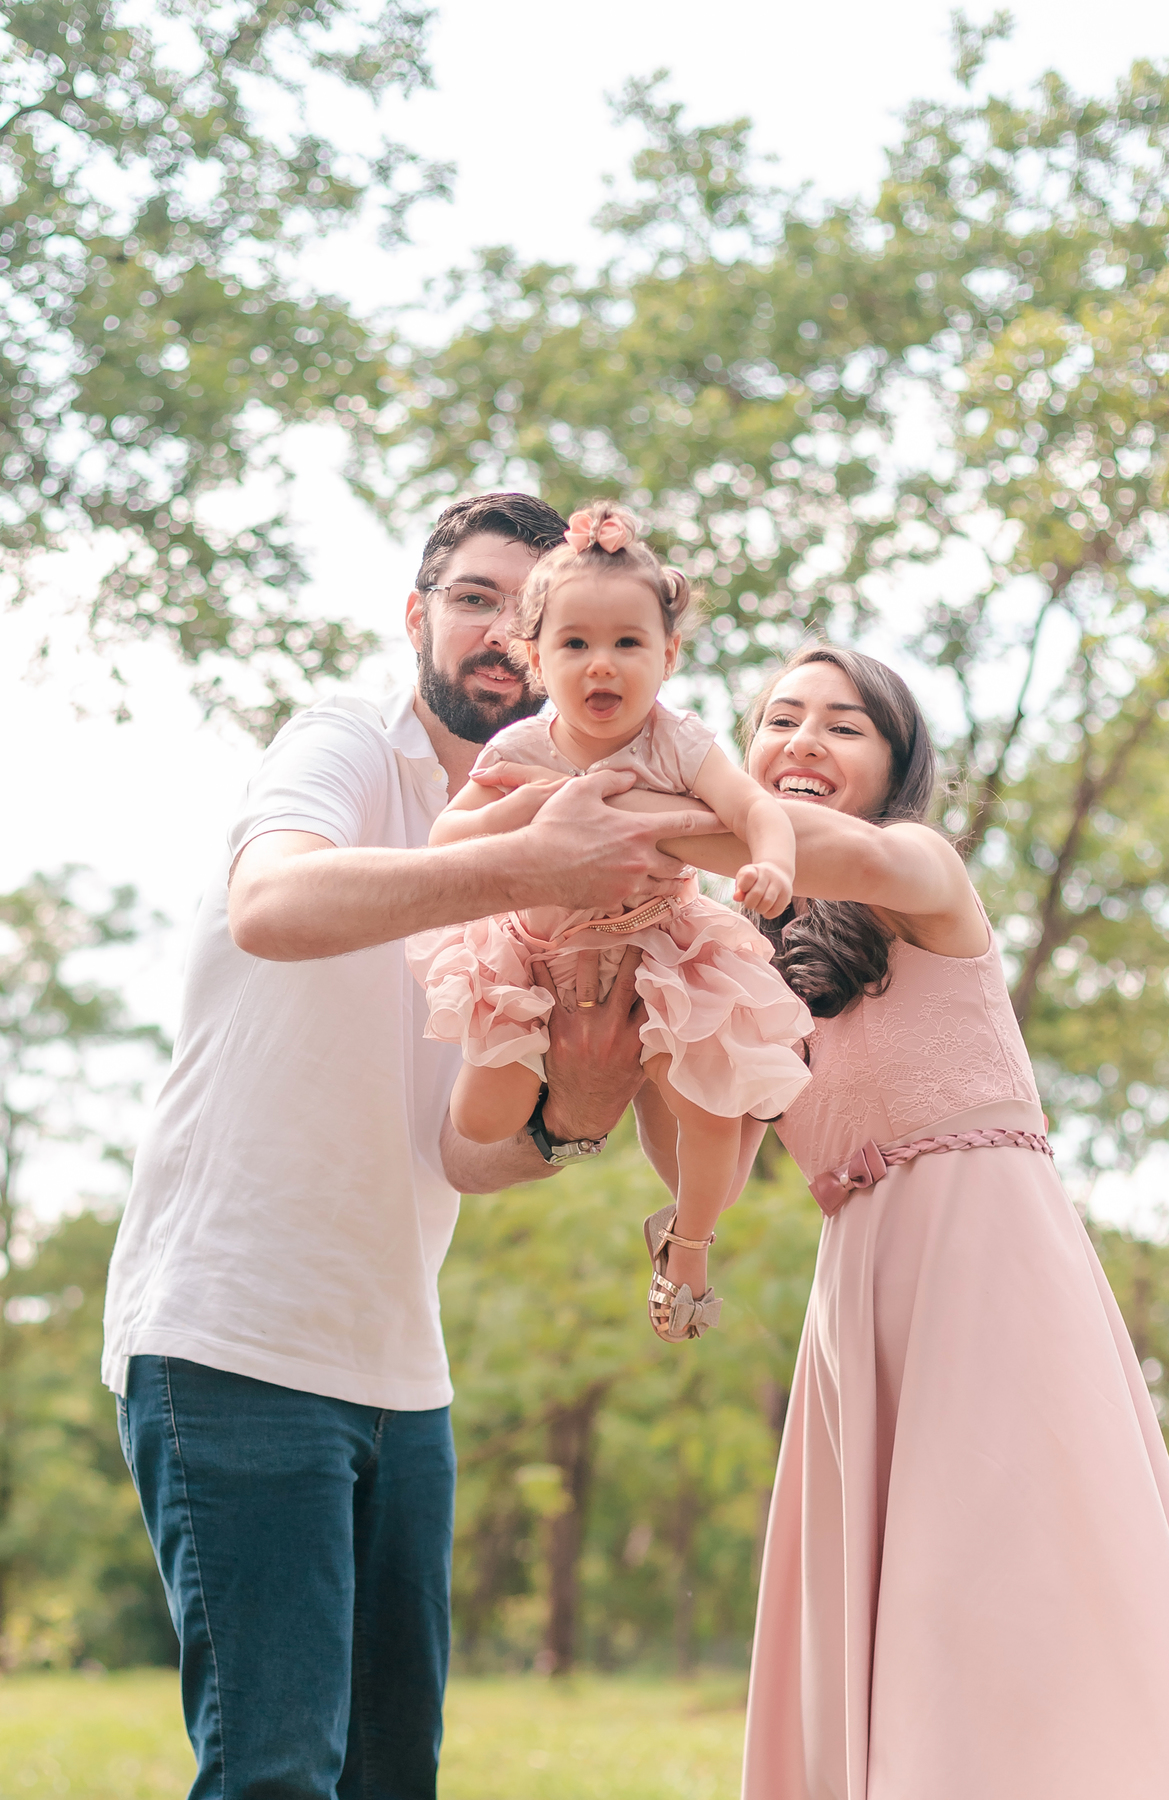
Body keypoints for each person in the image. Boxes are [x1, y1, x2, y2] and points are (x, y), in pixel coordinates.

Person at [101, 492, 717, 1800]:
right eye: (475, 599)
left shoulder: (578, 819)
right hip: (229, 1335)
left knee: (395, 1775)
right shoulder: (346, 743)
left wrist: (573, 1120)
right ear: (418, 617)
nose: (502, 633)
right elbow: (272, 902)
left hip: (400, 1367)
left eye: (526, 612)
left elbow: (462, 1152)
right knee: (275, 1771)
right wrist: (528, 871)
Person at [638, 643, 1169, 1798]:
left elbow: (830, 853)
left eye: (843, 726)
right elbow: (714, 1148)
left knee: (994, 1569)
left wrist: (602, 807)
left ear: (894, 767)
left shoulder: (921, 869)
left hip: (984, 1257)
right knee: (900, 1598)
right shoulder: (751, 959)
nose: (802, 740)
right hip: (862, 1285)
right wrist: (686, 1240)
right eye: (779, 719)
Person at [406, 502, 812, 1344]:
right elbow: (447, 838)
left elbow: (754, 809)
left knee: (708, 1140)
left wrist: (769, 864)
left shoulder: (679, 743)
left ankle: (689, 1245)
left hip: (664, 947)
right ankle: (583, 1077)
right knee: (482, 1121)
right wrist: (535, 815)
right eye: (575, 644)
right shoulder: (518, 751)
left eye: (629, 643)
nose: (603, 665)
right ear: (534, 656)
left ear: (667, 655)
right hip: (538, 957)